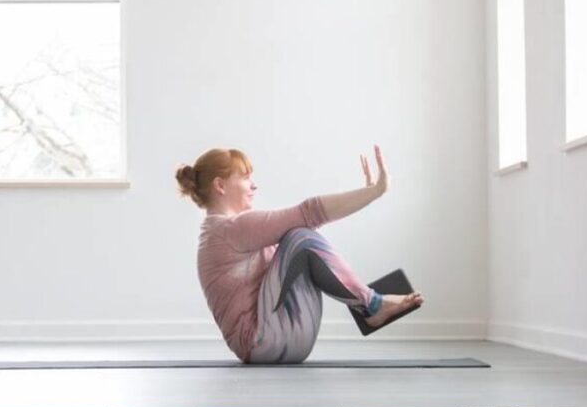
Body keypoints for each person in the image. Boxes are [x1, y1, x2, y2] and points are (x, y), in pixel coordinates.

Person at [175, 145, 424, 363]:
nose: (254, 185)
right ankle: (372, 305)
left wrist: (366, 195)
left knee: (295, 238)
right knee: (300, 238)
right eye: (246, 177)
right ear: (220, 185)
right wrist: (373, 193)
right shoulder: (229, 230)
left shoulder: (221, 232)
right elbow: (309, 212)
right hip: (265, 343)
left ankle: (369, 306)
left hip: (272, 343)